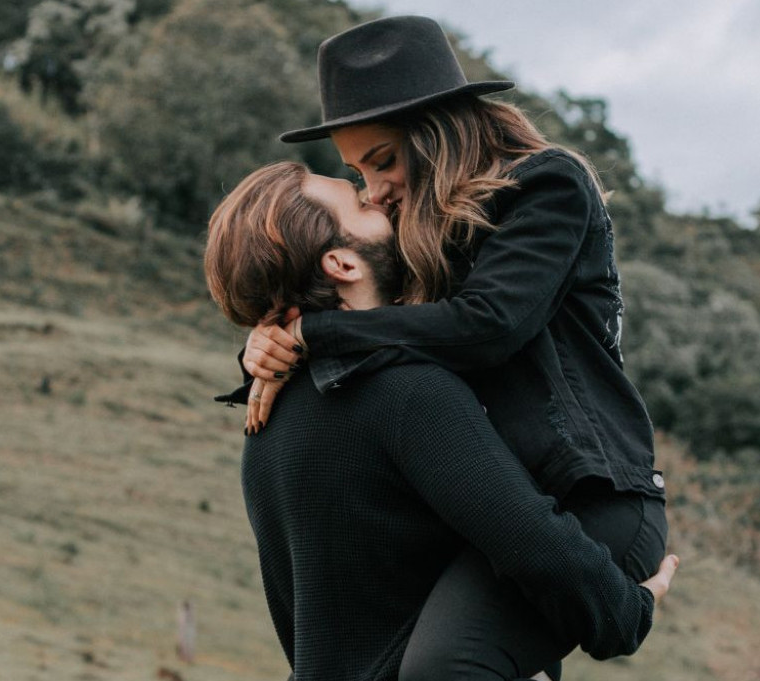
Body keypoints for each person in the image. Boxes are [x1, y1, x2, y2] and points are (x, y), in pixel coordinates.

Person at [238, 15, 671, 680]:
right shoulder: (417, 231)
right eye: (357, 171)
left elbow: (486, 325)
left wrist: (314, 335)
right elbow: (371, 315)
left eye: (382, 160)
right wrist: (271, 341)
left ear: (436, 132)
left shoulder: (545, 186)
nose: (375, 190)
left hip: (592, 498)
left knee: (443, 667)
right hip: (499, 509)